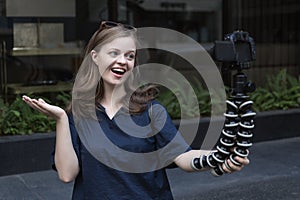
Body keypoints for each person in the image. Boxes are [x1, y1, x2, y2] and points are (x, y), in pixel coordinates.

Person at [22, 21, 250, 200]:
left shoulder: (151, 112)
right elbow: (66, 174)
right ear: (95, 57)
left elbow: (183, 156)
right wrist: (61, 119)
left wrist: (218, 159)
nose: (123, 61)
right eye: (114, 53)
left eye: (129, 56)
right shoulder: (79, 114)